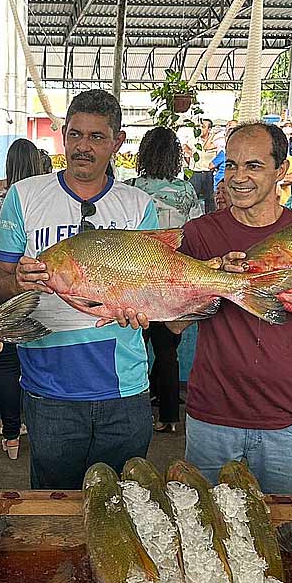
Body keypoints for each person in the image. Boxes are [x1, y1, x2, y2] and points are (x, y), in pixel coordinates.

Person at [0, 89, 157, 490]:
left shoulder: (137, 205)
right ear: (63, 135)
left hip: (123, 388)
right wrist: (16, 282)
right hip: (50, 390)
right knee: (54, 506)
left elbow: (152, 286)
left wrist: (146, 310)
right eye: (75, 134)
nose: (83, 146)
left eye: (97, 137)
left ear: (118, 141)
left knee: (125, 505)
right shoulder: (25, 196)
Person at [163, 123, 292, 493]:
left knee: (285, 531)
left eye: (253, 166)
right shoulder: (200, 233)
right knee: (207, 529)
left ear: (282, 170)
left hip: (287, 420)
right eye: (230, 165)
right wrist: (215, 283)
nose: (238, 177)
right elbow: (173, 325)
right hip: (212, 418)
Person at [127, 126, 202, 434]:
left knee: (134, 348)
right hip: (173, 281)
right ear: (174, 156)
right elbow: (197, 234)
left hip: (135, 281)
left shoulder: (131, 188)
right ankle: (169, 416)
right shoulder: (186, 191)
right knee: (168, 349)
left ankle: (137, 410)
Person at [0, 138, 48, 458]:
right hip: (34, 288)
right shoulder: (43, 197)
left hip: (1, 278)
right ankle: (22, 427)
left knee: (2, 359)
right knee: (22, 358)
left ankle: (6, 430)